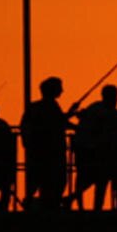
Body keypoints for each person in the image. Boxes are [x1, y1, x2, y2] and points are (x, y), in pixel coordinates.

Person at [72, 84, 117, 211]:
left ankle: (110, 207)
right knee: (102, 182)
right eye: (114, 97)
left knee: (108, 183)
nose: (116, 100)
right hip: (103, 154)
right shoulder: (101, 111)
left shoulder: (103, 110)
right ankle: (101, 207)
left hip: (114, 155)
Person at [20, 76, 76, 209]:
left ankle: (35, 203)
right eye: (59, 88)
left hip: (39, 150)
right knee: (56, 179)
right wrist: (71, 114)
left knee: (38, 179)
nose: (62, 90)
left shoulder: (35, 107)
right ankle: (48, 205)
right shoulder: (49, 106)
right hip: (52, 151)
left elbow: (58, 121)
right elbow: (58, 122)